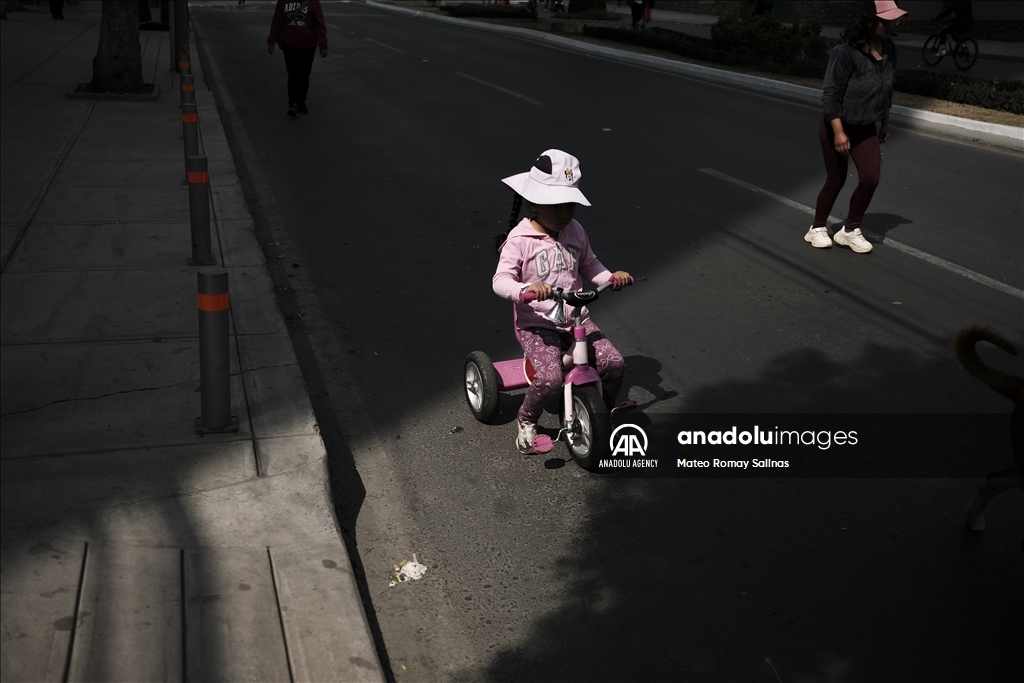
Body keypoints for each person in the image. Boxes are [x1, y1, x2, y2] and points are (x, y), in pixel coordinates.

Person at [493, 150, 633, 454]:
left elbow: (590, 265)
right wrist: (527, 289)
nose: (565, 212)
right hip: (538, 324)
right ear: (534, 202)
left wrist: (611, 278)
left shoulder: (575, 231)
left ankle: (600, 414)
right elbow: (501, 280)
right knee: (550, 377)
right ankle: (527, 418)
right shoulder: (520, 240)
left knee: (614, 363)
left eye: (570, 204)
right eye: (556, 205)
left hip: (576, 320)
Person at [805, 0, 906, 254]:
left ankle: (850, 230)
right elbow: (830, 95)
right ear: (870, 22)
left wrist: (884, 121)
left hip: (866, 127)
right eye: (887, 20)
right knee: (835, 180)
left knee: (871, 178)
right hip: (837, 124)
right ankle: (816, 227)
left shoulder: (890, 48)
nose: (892, 24)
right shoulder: (845, 52)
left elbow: (887, 89)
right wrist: (838, 132)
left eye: (894, 19)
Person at [267, 0, 328, 119]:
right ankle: (293, 104)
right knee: (293, 74)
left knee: (304, 75)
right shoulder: (283, 2)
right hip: (289, 45)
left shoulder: (313, 2)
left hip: (308, 46)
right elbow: (277, 21)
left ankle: (301, 101)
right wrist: (271, 40)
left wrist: (323, 45)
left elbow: (319, 25)